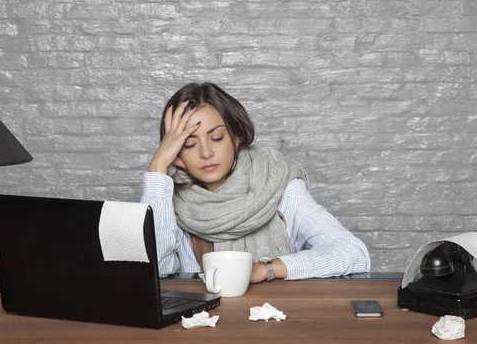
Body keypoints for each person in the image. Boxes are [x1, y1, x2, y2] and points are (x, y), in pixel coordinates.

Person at [141, 82, 370, 283]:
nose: (206, 152)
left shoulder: (277, 184)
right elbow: (155, 270)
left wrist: (265, 269)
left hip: (278, 321)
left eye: (217, 137)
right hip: (204, 327)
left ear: (237, 138)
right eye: (189, 143)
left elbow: (353, 253)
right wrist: (158, 166)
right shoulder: (168, 201)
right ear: (177, 153)